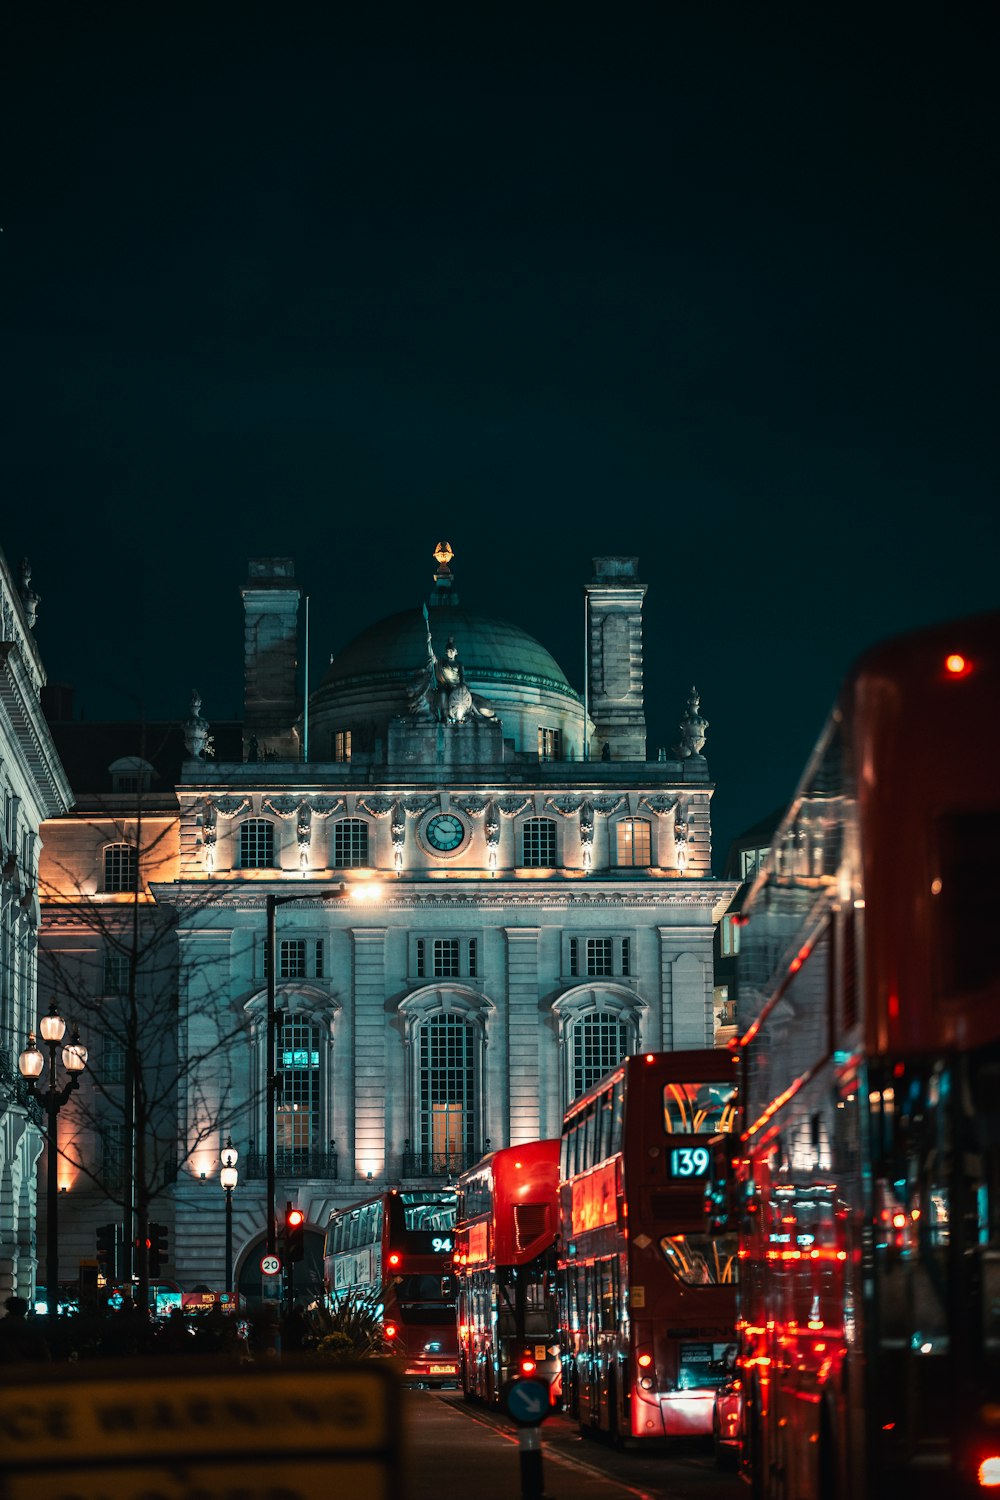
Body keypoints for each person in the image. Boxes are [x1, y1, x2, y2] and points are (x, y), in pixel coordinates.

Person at [0, 1295, 51, 1362]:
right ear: (25, 1310)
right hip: (29, 1368)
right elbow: (44, 1354)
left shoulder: (2, 1326)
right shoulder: (33, 1330)